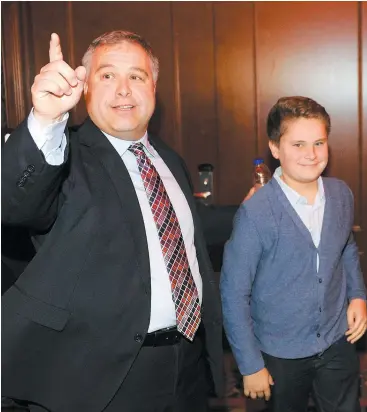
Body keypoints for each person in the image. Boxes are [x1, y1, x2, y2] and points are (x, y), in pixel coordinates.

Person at [1, 31, 224, 412]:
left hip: (185, 368)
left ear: (153, 87)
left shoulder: (169, 160)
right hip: (96, 381)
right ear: (84, 86)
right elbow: (16, 205)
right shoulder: (62, 155)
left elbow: (179, 236)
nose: (124, 90)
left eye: (136, 76)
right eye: (107, 76)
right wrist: (45, 120)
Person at [220, 96, 367, 412]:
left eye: (319, 142)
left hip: (335, 341)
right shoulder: (255, 213)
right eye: (298, 144)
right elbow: (233, 294)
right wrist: (249, 365)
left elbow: (347, 249)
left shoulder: (341, 194)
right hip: (277, 353)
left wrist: (357, 296)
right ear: (275, 148)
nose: (311, 154)